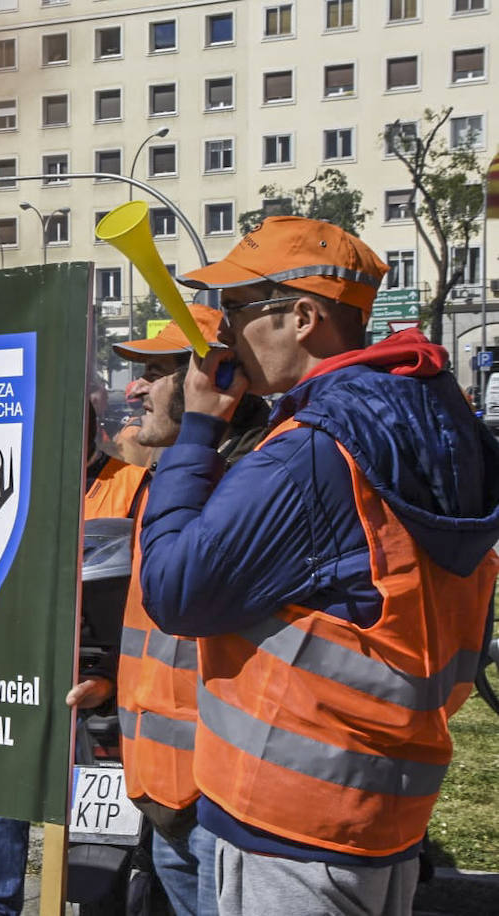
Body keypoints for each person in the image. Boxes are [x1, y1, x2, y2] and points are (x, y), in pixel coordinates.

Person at [139, 216, 499, 915]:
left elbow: (174, 588)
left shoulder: (310, 451)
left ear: (303, 317)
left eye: (238, 310)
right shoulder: (430, 416)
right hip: (382, 803)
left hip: (289, 816)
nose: (223, 334)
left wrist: (200, 429)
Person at [64, 308, 267, 916]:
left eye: (155, 372)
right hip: (162, 792)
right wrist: (113, 682)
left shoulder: (248, 484)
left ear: (213, 382)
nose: (135, 388)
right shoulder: (162, 484)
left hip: (222, 802)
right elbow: (160, 625)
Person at [0, 404, 148, 916]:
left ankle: (108, 899)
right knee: (6, 794)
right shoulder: (14, 490)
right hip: (29, 664)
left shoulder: (135, 484)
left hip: (110, 673)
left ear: (92, 429)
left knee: (110, 809)